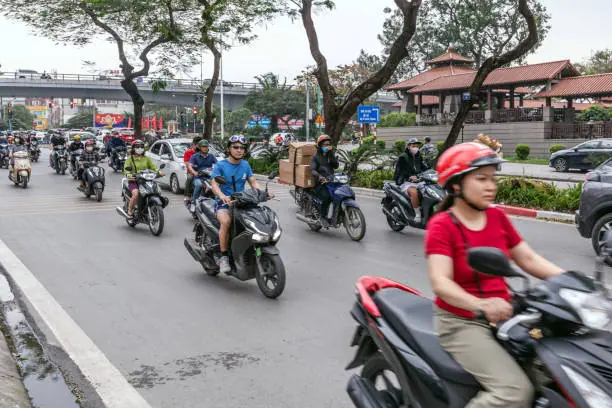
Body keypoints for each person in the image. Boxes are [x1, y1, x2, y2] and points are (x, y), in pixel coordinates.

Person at [425, 142, 564, 408]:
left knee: (561, 376)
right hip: (462, 322)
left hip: (507, 316)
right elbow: (440, 281)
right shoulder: (442, 225)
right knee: (513, 392)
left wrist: (575, 283)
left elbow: (528, 259)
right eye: (481, 179)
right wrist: (481, 304)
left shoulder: (497, 217)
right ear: (456, 185)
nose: (491, 186)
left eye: (492, 178)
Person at [211, 135, 270, 274]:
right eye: (235, 147)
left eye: (242, 148)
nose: (239, 150)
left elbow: (253, 182)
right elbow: (214, 184)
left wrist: (264, 193)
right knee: (226, 221)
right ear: (228, 149)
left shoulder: (245, 165)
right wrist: (222, 196)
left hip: (242, 202)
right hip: (224, 204)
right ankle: (224, 256)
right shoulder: (221, 165)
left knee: (257, 219)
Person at [123, 140, 164, 219]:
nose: (140, 148)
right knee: (135, 194)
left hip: (146, 180)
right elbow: (126, 170)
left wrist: (159, 172)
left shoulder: (146, 158)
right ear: (133, 148)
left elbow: (153, 167)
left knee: (156, 191)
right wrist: (128, 174)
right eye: (137, 147)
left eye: (141, 147)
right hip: (134, 180)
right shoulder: (130, 159)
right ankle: (130, 211)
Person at [394, 137, 428, 223]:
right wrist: (409, 177)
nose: (416, 147)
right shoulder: (403, 157)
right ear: (409, 146)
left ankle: (426, 211)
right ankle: (417, 214)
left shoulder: (419, 156)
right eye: (414, 146)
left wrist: (432, 172)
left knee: (429, 191)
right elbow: (398, 171)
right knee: (414, 192)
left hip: (418, 181)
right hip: (406, 182)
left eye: (417, 146)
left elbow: (425, 168)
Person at [309, 134, 339, 226]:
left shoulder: (330, 156)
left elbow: (336, 166)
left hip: (331, 182)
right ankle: (323, 217)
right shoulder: (315, 157)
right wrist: (320, 177)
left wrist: (331, 155)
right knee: (327, 197)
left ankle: (337, 215)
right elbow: (312, 170)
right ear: (320, 146)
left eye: (328, 144)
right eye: (325, 145)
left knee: (339, 194)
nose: (327, 146)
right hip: (320, 184)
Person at [188, 139, 218, 205]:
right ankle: (194, 202)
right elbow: (190, 166)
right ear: (200, 147)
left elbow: (218, 165)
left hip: (209, 177)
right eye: (203, 147)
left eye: (206, 147)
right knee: (199, 185)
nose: (205, 148)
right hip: (198, 177)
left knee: (217, 186)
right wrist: (194, 172)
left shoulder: (211, 156)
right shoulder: (195, 156)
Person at [183, 136, 203, 206]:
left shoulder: (203, 152)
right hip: (192, 172)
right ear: (194, 144)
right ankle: (188, 197)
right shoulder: (188, 152)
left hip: (203, 172)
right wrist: (194, 167)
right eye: (199, 144)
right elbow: (187, 164)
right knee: (190, 178)